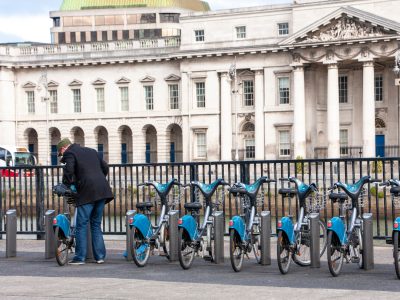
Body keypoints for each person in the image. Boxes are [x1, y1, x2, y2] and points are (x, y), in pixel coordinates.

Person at [57, 138, 114, 265]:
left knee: (81, 225)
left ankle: (79, 257)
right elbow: (105, 167)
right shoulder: (92, 151)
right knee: (96, 224)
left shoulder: (70, 153)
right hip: (102, 190)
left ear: (63, 149)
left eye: (61, 154)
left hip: (87, 192)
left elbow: (69, 171)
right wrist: (97, 178)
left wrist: (66, 185)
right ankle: (100, 257)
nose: (63, 156)